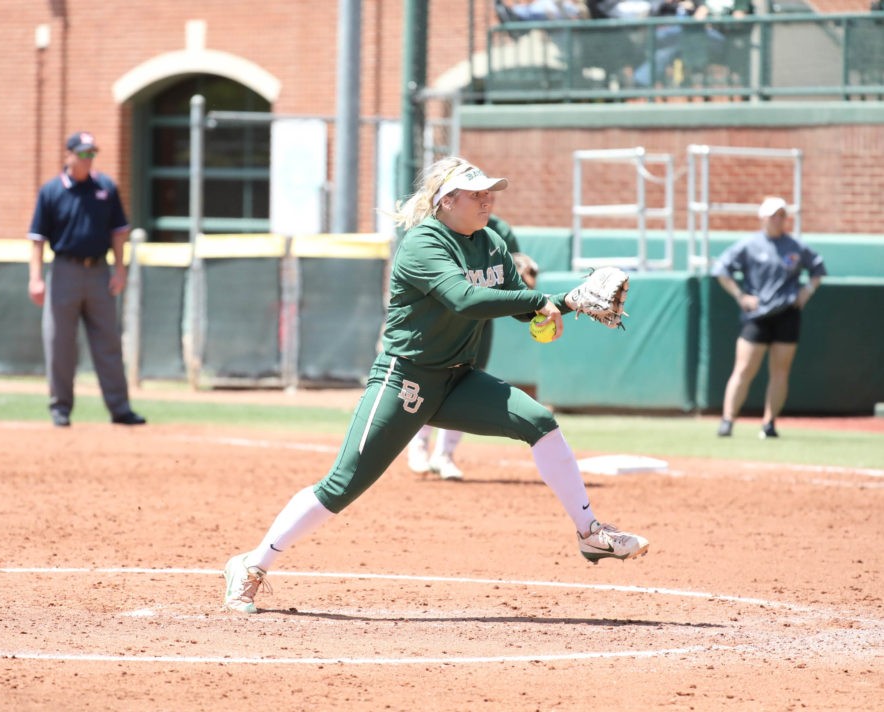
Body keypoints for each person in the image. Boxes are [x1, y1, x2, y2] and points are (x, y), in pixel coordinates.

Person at [222, 156, 648, 615]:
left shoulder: (489, 242)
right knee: (342, 485)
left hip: (458, 378)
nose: (489, 198)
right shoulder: (424, 243)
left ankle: (591, 535)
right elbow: (464, 299)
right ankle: (251, 564)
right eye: (477, 192)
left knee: (538, 420)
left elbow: (522, 308)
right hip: (404, 378)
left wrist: (564, 305)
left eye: (491, 191)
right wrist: (548, 300)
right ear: (447, 201)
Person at [406, 212, 540, 481]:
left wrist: (520, 278)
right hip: (440, 320)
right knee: (430, 380)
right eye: (475, 193)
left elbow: (511, 276)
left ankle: (445, 454)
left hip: (478, 323)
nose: (483, 199)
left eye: (485, 192)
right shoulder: (434, 227)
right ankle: (419, 444)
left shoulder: (499, 230)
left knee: (466, 380)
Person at [27, 131, 146, 428]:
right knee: (60, 343)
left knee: (108, 341)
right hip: (65, 270)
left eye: (91, 153)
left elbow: (119, 232)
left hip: (98, 272)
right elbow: (38, 239)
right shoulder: (52, 191)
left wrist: (120, 270)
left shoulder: (105, 187)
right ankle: (60, 408)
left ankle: (120, 409)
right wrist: (35, 278)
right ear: (68, 155)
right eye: (82, 153)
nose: (87, 158)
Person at [712, 196, 826, 439]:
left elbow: (818, 269)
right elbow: (721, 270)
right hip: (757, 316)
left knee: (780, 371)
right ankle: (728, 420)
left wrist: (806, 292)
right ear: (763, 218)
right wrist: (741, 296)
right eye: (774, 215)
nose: (778, 220)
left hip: (787, 314)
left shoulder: (795, 246)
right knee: (743, 368)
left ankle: (769, 423)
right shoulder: (749, 245)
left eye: (782, 215)